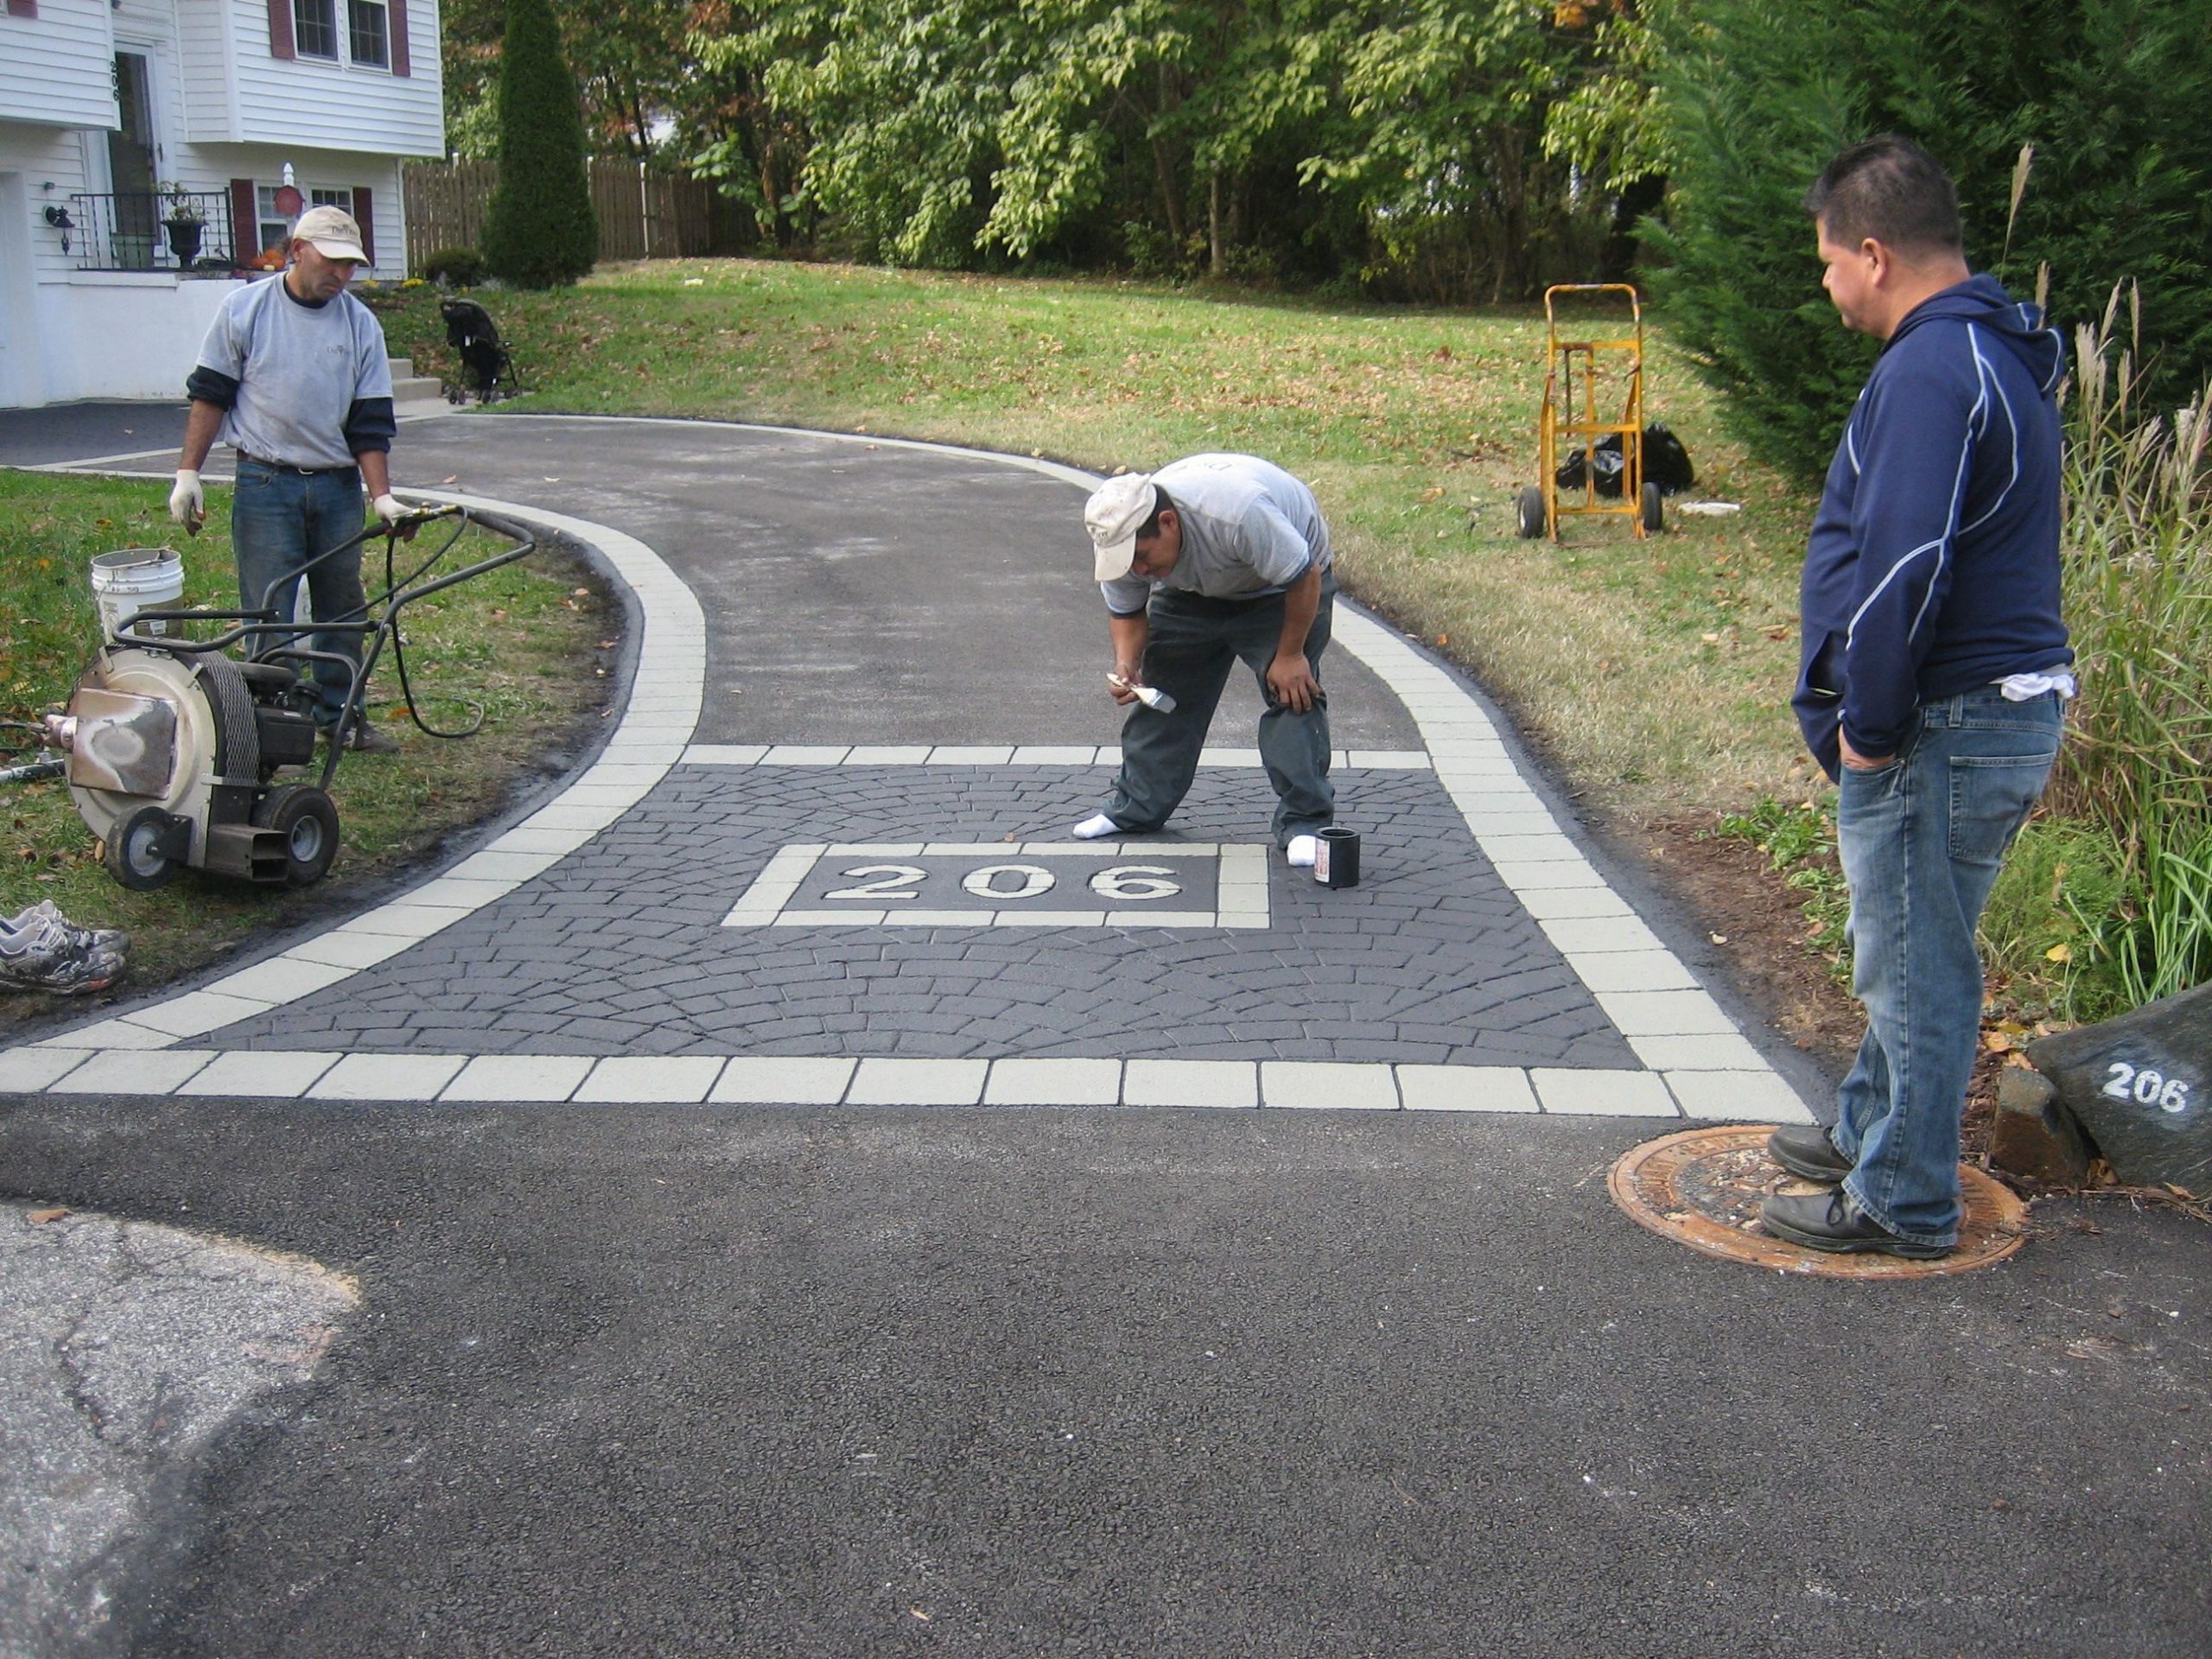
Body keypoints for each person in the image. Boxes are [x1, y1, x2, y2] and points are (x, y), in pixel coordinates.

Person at [1760, 137, 2074, 1259]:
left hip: (1940, 723)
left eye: (1830, 262)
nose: (1828, 282)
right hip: (1997, 711)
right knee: (1923, 939)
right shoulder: (1995, 355)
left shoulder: (1932, 373)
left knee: (1916, 961)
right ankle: (1867, 1133)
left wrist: (1872, 729)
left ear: (1877, 254)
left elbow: (1907, 565)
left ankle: (1903, 1199)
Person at [168, 205, 404, 753]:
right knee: (269, 607)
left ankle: (340, 716)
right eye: (333, 261)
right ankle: (272, 724)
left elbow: (369, 421)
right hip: (265, 482)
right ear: (297, 250)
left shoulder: (360, 323)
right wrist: (187, 474)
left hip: (337, 487)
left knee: (342, 606)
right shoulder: (245, 310)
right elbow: (211, 394)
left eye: (352, 265)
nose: (342, 275)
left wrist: (383, 497)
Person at [1076, 454, 1337, 865]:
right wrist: (1127, 663)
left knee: (1292, 692)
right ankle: (1136, 810)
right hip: (1192, 594)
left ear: (1168, 522)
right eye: (1129, 562)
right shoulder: (1120, 538)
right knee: (1161, 695)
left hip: (1281, 588)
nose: (1139, 570)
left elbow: (1304, 576)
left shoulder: (1237, 513)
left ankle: (1304, 823)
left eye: (1142, 557)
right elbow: (1126, 612)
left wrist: (1289, 655)